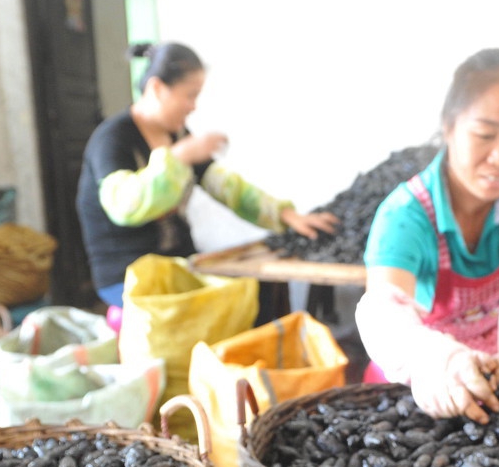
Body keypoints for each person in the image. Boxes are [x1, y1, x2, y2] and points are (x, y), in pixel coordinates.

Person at [355, 48, 499, 425]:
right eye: (485, 135)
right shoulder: (404, 215)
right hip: (431, 361)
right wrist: (439, 362)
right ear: (449, 126)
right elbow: (385, 315)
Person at [76, 42, 336, 308]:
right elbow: (124, 207)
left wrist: (287, 216)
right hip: (126, 277)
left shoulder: (178, 135)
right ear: (157, 88)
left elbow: (226, 187)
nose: (193, 107)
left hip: (178, 265)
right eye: (189, 95)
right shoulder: (112, 139)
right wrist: (178, 158)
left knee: (259, 295)